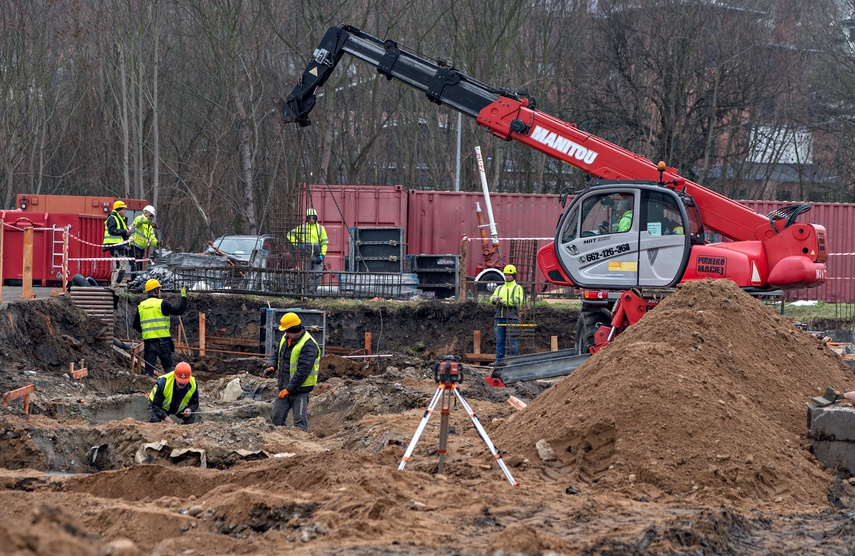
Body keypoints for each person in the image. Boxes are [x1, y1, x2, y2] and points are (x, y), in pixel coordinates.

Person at [263, 312, 320, 431]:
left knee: (299, 423)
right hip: (283, 386)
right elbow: (276, 354)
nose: (285, 334)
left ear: (293, 329)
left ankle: (300, 444)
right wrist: (272, 366)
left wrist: (289, 389)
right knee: (276, 418)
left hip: (300, 390)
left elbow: (302, 372)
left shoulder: (308, 345)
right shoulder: (286, 338)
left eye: (287, 331)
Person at [133, 279, 188, 377]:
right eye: (159, 289)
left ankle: (147, 389)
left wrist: (148, 331)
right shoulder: (161, 304)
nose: (160, 292)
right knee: (168, 370)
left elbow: (136, 325)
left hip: (149, 343)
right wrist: (184, 296)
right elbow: (179, 311)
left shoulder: (141, 306)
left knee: (149, 371)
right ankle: (170, 388)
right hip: (163, 342)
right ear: (156, 290)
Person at [286, 208, 329, 293]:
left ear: (316, 218)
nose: (312, 220)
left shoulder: (321, 229)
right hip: (306, 256)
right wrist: (298, 244)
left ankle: (311, 292)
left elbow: (324, 243)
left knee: (318, 274)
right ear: (307, 218)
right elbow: (289, 234)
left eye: (313, 218)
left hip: (317, 256)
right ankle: (305, 292)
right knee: (305, 275)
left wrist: (322, 255)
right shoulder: (303, 228)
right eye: (310, 218)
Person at [489, 264, 525, 366]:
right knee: (499, 341)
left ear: (513, 275)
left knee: (512, 341)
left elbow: (517, 301)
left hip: (512, 318)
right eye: (506, 275)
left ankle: (514, 362)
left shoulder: (517, 288)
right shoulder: (500, 288)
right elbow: (491, 297)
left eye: (509, 275)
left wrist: (504, 301)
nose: (507, 276)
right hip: (499, 317)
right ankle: (499, 360)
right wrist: (494, 299)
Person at [102, 200, 131, 287]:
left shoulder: (119, 219)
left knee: (118, 267)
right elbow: (112, 231)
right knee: (119, 267)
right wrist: (125, 231)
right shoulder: (113, 218)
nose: (125, 211)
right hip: (116, 246)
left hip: (119, 245)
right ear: (119, 210)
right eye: (123, 209)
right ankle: (114, 285)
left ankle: (115, 285)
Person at [129, 205, 159, 277]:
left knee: (139, 266)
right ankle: (134, 281)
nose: (151, 217)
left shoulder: (149, 227)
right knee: (135, 266)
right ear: (145, 213)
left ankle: (138, 280)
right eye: (150, 215)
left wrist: (157, 243)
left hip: (141, 248)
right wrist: (151, 222)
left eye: (152, 216)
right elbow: (142, 220)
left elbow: (152, 238)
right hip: (134, 246)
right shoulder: (139, 219)